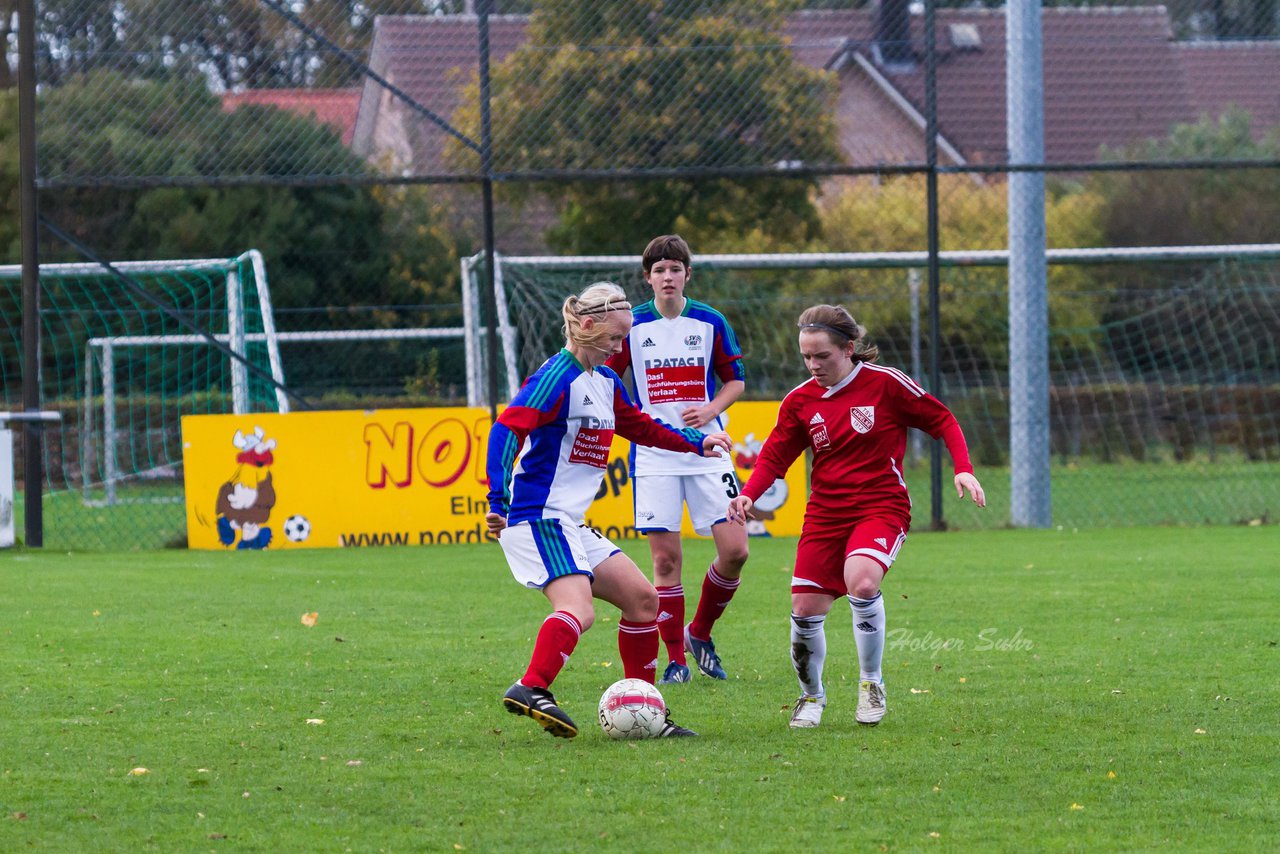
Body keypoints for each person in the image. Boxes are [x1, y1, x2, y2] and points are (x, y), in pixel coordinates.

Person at [486, 281, 733, 739]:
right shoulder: (557, 377)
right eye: (614, 339)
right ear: (585, 325)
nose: (621, 347)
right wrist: (496, 499)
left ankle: (644, 713)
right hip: (537, 516)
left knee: (644, 602)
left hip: (569, 522)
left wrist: (697, 443)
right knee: (578, 609)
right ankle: (531, 687)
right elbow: (506, 429)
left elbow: (638, 425)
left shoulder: (604, 381)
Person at [726, 304, 985, 729]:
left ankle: (871, 684)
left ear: (848, 349)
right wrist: (749, 495)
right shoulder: (799, 401)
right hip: (826, 515)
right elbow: (775, 455)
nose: (813, 366)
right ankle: (811, 697)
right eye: (806, 357)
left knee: (862, 581)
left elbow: (942, 419)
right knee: (805, 607)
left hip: (881, 506)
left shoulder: (885, 385)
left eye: (821, 356)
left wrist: (963, 467)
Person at [605, 234, 750, 685]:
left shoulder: (710, 321)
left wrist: (710, 411)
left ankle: (699, 632)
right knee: (665, 563)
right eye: (659, 270)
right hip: (654, 455)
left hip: (709, 453)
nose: (668, 276)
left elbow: (736, 380)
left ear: (688, 274)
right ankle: (676, 662)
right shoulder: (632, 326)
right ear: (646, 278)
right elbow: (608, 380)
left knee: (736, 551)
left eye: (675, 268)